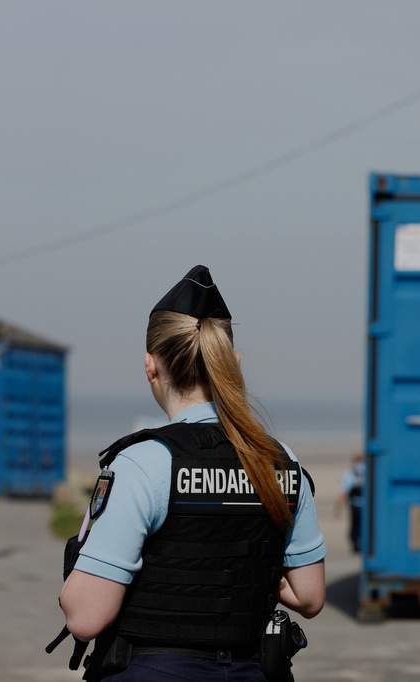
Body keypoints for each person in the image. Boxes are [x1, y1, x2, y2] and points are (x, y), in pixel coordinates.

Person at [57, 265, 326, 681]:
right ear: (231, 363)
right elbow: (308, 596)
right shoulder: (280, 461)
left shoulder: (142, 463)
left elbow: (86, 618)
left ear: (151, 365)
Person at [334, 452, 365, 554]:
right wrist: (338, 509)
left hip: (366, 507)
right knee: (355, 527)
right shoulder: (349, 475)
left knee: (364, 527)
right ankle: (355, 545)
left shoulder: (368, 473)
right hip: (355, 506)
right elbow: (344, 493)